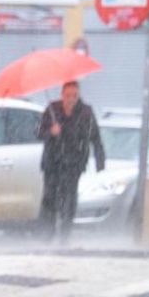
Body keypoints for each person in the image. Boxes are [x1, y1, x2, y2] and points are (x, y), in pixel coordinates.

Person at [37, 81, 106, 242]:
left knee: (69, 200)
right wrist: (50, 132)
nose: (71, 100)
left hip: (73, 164)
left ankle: (64, 237)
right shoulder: (52, 110)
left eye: (74, 96)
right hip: (52, 164)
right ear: (62, 95)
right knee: (49, 199)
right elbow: (39, 132)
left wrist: (100, 162)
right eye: (68, 96)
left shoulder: (86, 113)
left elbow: (95, 137)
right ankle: (47, 236)